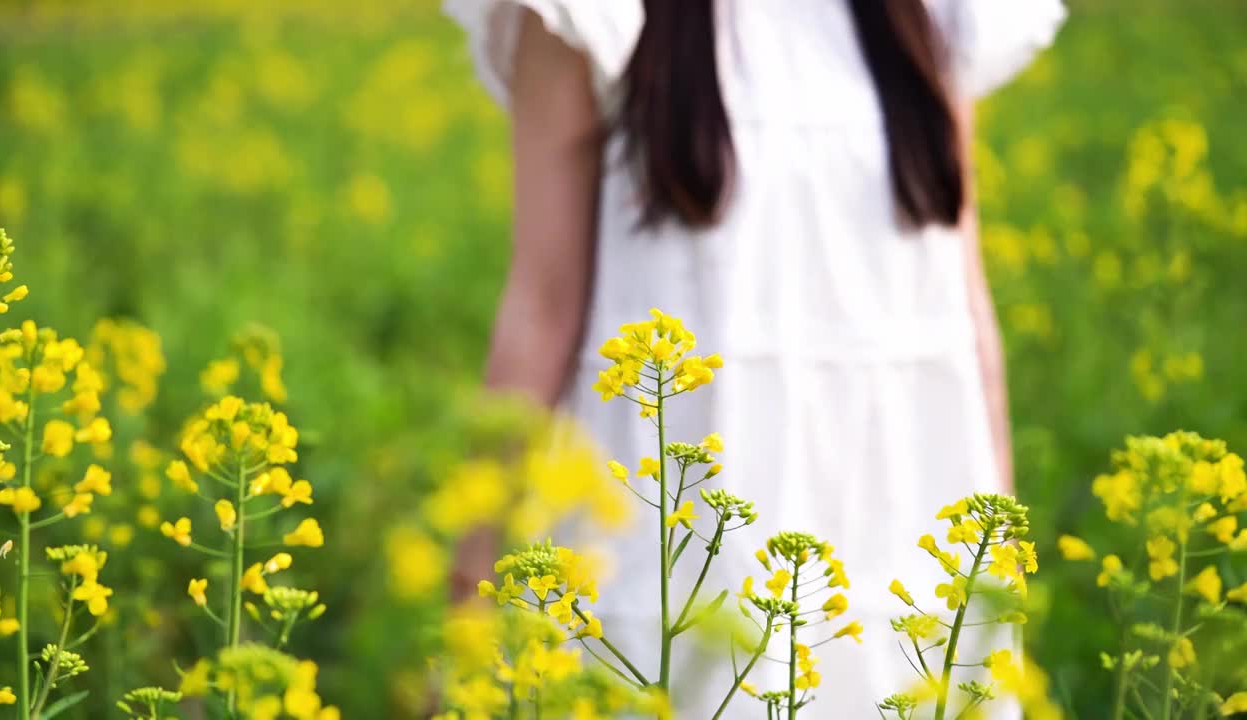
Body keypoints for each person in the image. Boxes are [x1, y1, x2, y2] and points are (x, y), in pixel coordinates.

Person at [444, 0, 1065, 715]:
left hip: (896, 555)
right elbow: (540, 307)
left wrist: (997, 573)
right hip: (676, 561)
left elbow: (962, 309)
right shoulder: (592, 16)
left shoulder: (938, 15)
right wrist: (467, 602)